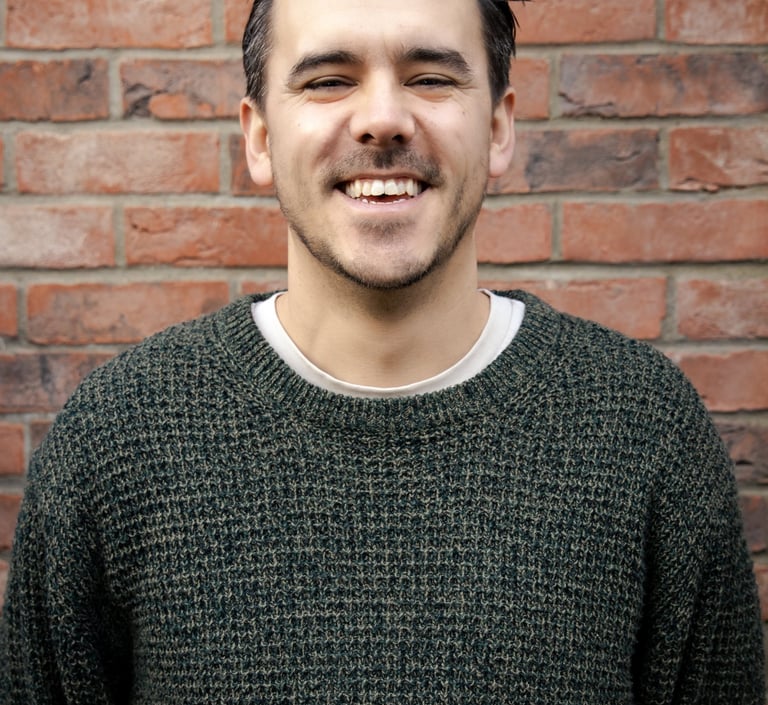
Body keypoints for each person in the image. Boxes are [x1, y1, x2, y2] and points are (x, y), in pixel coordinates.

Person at [0, 0, 764, 701]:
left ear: (498, 129)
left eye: (430, 77)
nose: (383, 120)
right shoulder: (115, 442)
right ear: (260, 137)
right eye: (329, 80)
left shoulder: (642, 431)